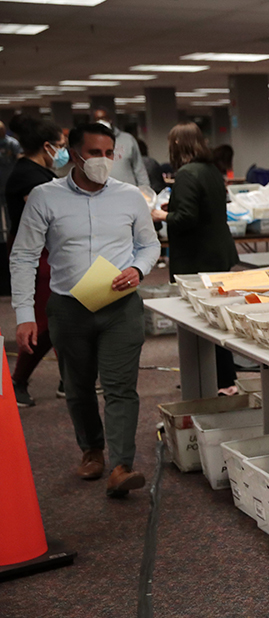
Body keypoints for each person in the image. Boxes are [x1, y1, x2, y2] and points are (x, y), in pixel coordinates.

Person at [10, 122, 160, 497]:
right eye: (95, 153)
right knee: (77, 388)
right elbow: (23, 256)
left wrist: (138, 269)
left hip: (120, 307)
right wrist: (25, 315)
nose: (103, 161)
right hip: (68, 308)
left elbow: (149, 245)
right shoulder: (45, 197)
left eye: (109, 154)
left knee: (120, 387)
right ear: (73, 154)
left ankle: (122, 465)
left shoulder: (129, 197)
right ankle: (91, 449)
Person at [151, 122, 240, 395]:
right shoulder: (211, 170)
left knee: (201, 321)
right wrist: (175, 204)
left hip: (198, 259)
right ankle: (224, 379)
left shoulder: (187, 173)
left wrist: (162, 215)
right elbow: (208, 207)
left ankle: (215, 380)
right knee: (217, 318)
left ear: (177, 145)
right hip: (217, 254)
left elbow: (187, 219)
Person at [5, 118, 67, 407]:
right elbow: (47, 220)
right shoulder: (31, 179)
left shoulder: (37, 173)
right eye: (62, 147)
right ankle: (17, 380)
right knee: (43, 323)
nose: (63, 153)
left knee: (62, 318)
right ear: (47, 146)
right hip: (37, 256)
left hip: (48, 253)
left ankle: (69, 380)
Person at [91, 107, 149, 188]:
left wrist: (145, 188)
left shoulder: (128, 139)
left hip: (128, 191)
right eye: (97, 119)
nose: (101, 122)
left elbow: (139, 168)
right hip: (103, 192)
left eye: (103, 118)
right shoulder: (90, 143)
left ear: (110, 120)